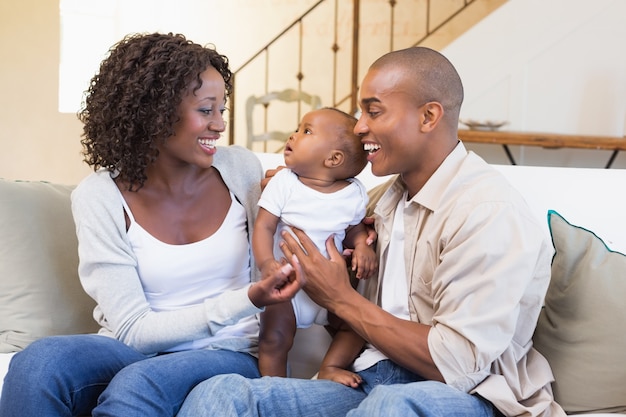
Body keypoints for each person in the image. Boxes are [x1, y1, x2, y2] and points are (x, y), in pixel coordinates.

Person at [177, 46, 567, 417]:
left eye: (374, 112)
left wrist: (341, 298)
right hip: (367, 382)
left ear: (428, 117)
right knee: (222, 393)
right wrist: (295, 187)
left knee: (389, 409)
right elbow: (319, 217)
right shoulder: (379, 202)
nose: (360, 127)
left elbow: (457, 366)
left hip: (470, 395)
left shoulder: (487, 212)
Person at [0, 32, 300, 417]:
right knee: (36, 364)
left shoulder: (240, 169)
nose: (219, 125)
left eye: (222, 110)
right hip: (132, 346)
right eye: (206, 110)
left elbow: (321, 196)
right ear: (155, 112)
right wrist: (246, 299)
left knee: (137, 389)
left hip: (227, 351)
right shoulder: (100, 196)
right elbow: (133, 330)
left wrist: (359, 225)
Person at [254, 107, 376, 381]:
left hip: (334, 289)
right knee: (273, 339)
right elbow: (264, 225)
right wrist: (267, 264)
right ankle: (274, 389)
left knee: (357, 327)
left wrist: (362, 246)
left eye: (306, 131)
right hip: (287, 287)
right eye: (298, 128)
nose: (294, 135)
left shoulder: (353, 192)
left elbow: (355, 228)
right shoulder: (284, 182)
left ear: (333, 158)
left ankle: (331, 367)